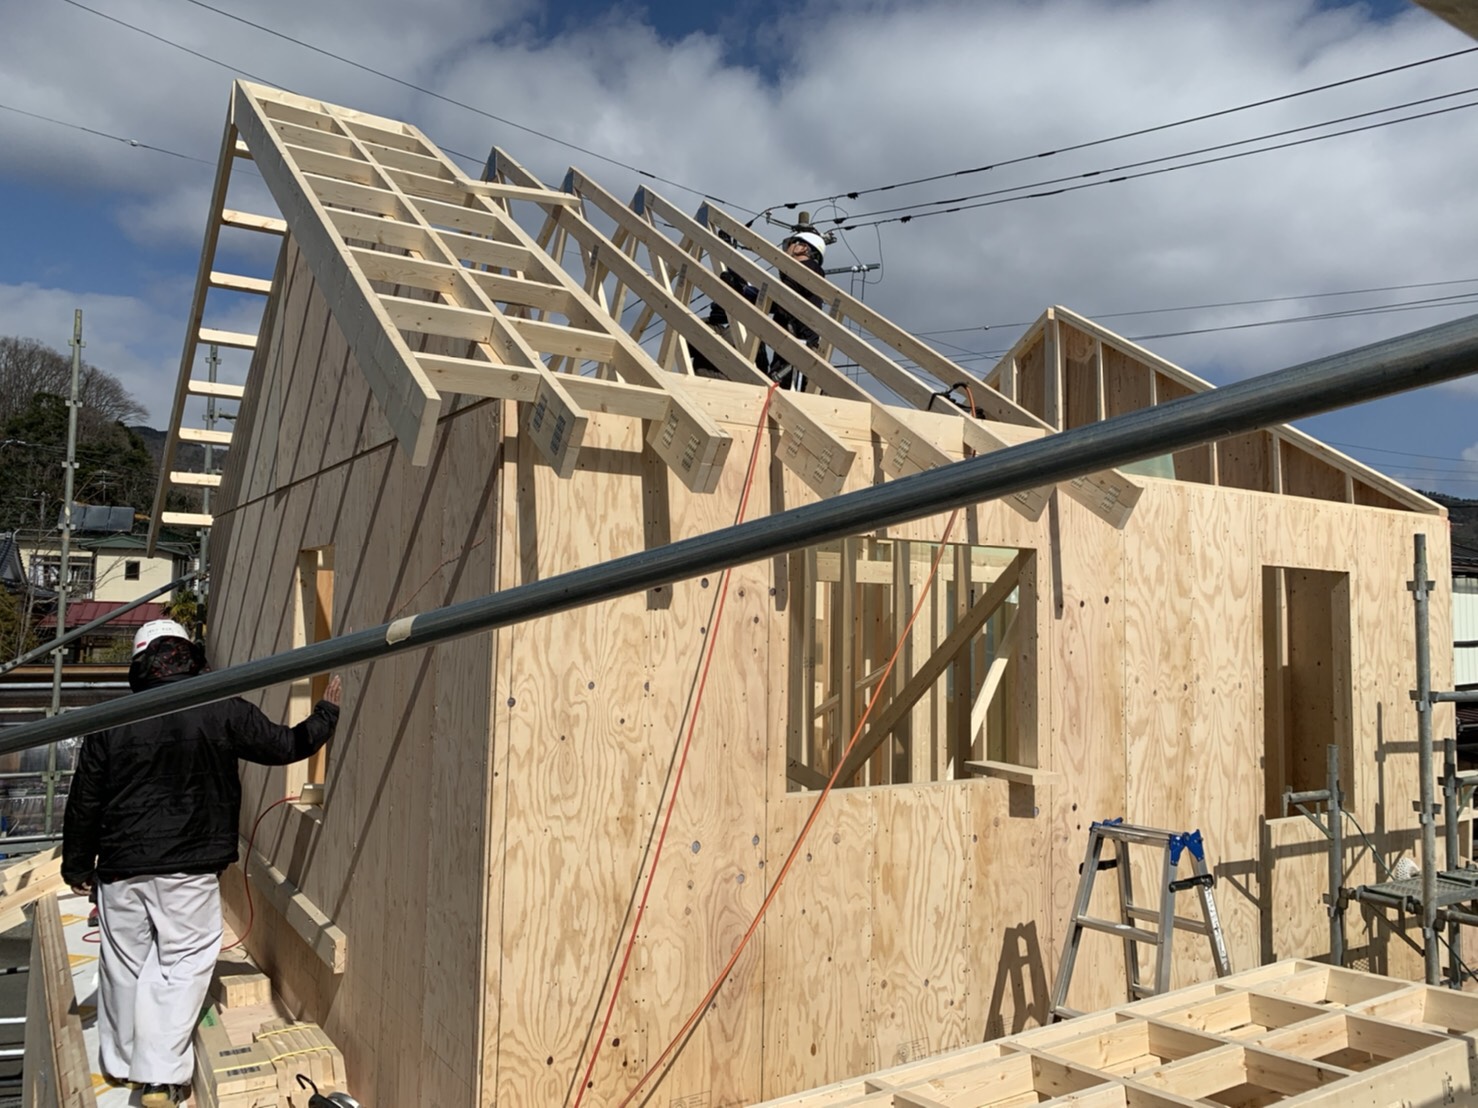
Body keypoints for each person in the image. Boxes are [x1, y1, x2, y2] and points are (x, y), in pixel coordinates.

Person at [61, 619, 343, 1107]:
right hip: (188, 865)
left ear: (141, 661)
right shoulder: (221, 706)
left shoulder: (111, 718)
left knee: (123, 964)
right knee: (182, 962)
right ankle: (158, 1077)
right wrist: (326, 714)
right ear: (189, 656)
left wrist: (77, 866)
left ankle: (121, 1064)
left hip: (121, 866)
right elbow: (285, 745)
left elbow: (84, 800)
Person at [693, 229, 829, 390]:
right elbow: (769, 297)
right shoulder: (802, 278)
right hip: (792, 354)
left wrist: (743, 289)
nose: (785, 250)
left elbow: (775, 300)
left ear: (803, 248)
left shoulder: (808, 270)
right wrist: (733, 266)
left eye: (790, 245)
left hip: (798, 356)